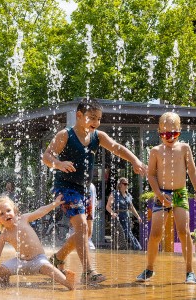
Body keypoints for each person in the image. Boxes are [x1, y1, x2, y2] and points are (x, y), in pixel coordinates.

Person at [41, 98, 147, 284]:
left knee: (85, 233)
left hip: (84, 191)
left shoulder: (98, 136)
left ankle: (57, 258)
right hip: (65, 187)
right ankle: (89, 272)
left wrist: (135, 160)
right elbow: (46, 156)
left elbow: (117, 147)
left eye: (98, 119)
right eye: (91, 118)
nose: (95, 122)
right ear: (79, 116)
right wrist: (58, 163)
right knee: (81, 227)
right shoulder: (65, 135)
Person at [136, 111, 196, 285]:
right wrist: (159, 194)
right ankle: (149, 268)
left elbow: (192, 170)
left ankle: (190, 271)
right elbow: (151, 175)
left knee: (184, 231)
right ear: (159, 132)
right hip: (162, 193)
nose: (170, 137)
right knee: (155, 233)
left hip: (180, 193)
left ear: (179, 130)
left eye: (174, 133)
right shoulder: (155, 151)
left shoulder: (184, 148)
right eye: (165, 134)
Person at [0, 194, 76, 291]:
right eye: (1, 214)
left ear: (14, 211)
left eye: (8, 211)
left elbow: (40, 211)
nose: (6, 214)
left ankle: (67, 282)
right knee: (1, 269)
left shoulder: (24, 219)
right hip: (21, 262)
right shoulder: (4, 235)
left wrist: (54, 204)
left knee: (49, 268)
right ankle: (4, 280)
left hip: (38, 260)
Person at [106, 177, 142, 250]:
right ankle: (134, 249)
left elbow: (131, 208)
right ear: (120, 185)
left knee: (128, 234)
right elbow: (108, 206)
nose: (126, 186)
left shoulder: (128, 195)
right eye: (125, 184)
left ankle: (136, 249)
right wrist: (112, 213)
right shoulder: (114, 194)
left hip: (126, 217)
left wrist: (138, 216)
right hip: (118, 218)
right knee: (121, 236)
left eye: (127, 184)